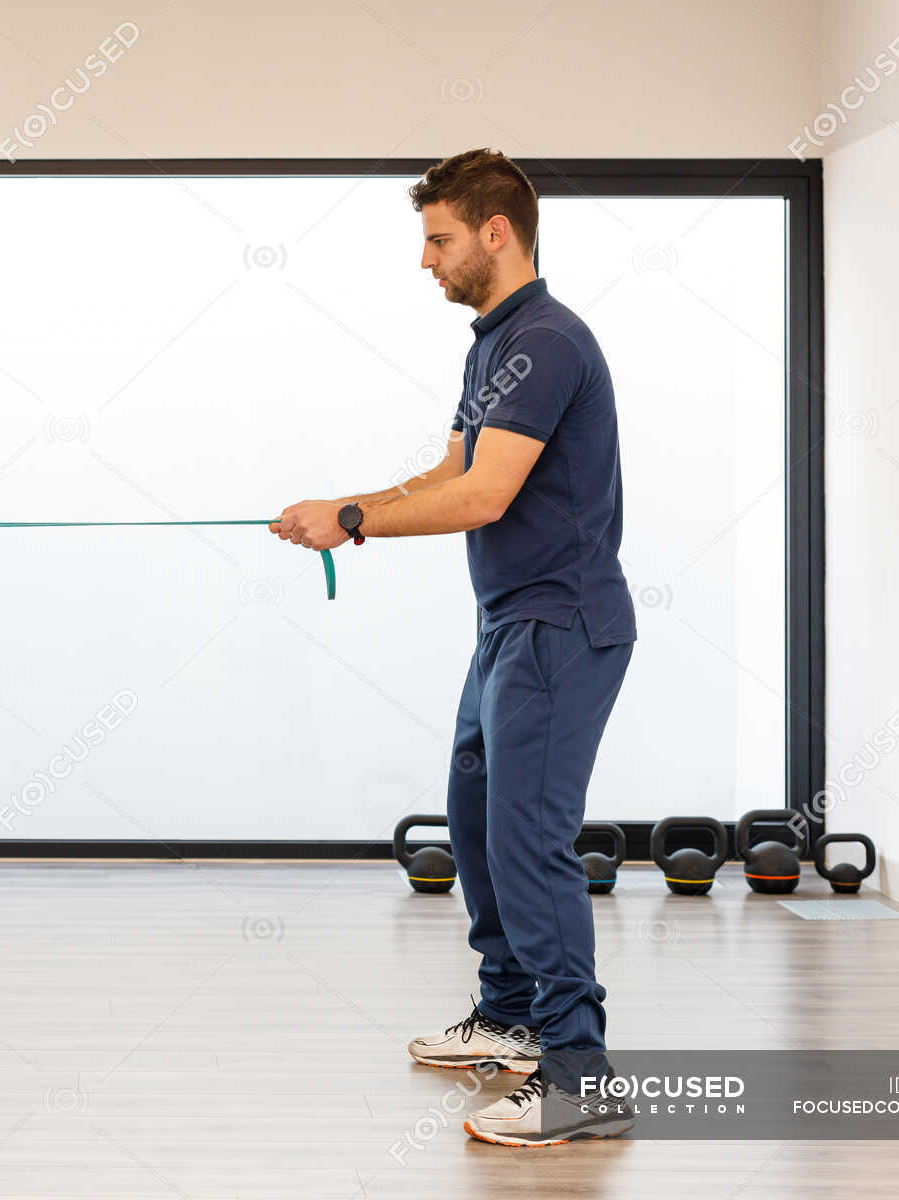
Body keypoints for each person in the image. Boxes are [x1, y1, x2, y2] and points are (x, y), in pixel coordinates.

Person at [271, 149, 638, 1147]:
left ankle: (580, 1074)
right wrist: (343, 509)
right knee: (476, 823)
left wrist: (353, 516)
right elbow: (450, 468)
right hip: (508, 627)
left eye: (438, 240)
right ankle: (513, 1015)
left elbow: (484, 497)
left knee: (530, 843)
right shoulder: (494, 345)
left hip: (561, 624)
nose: (425, 260)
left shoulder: (551, 340)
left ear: (495, 232)